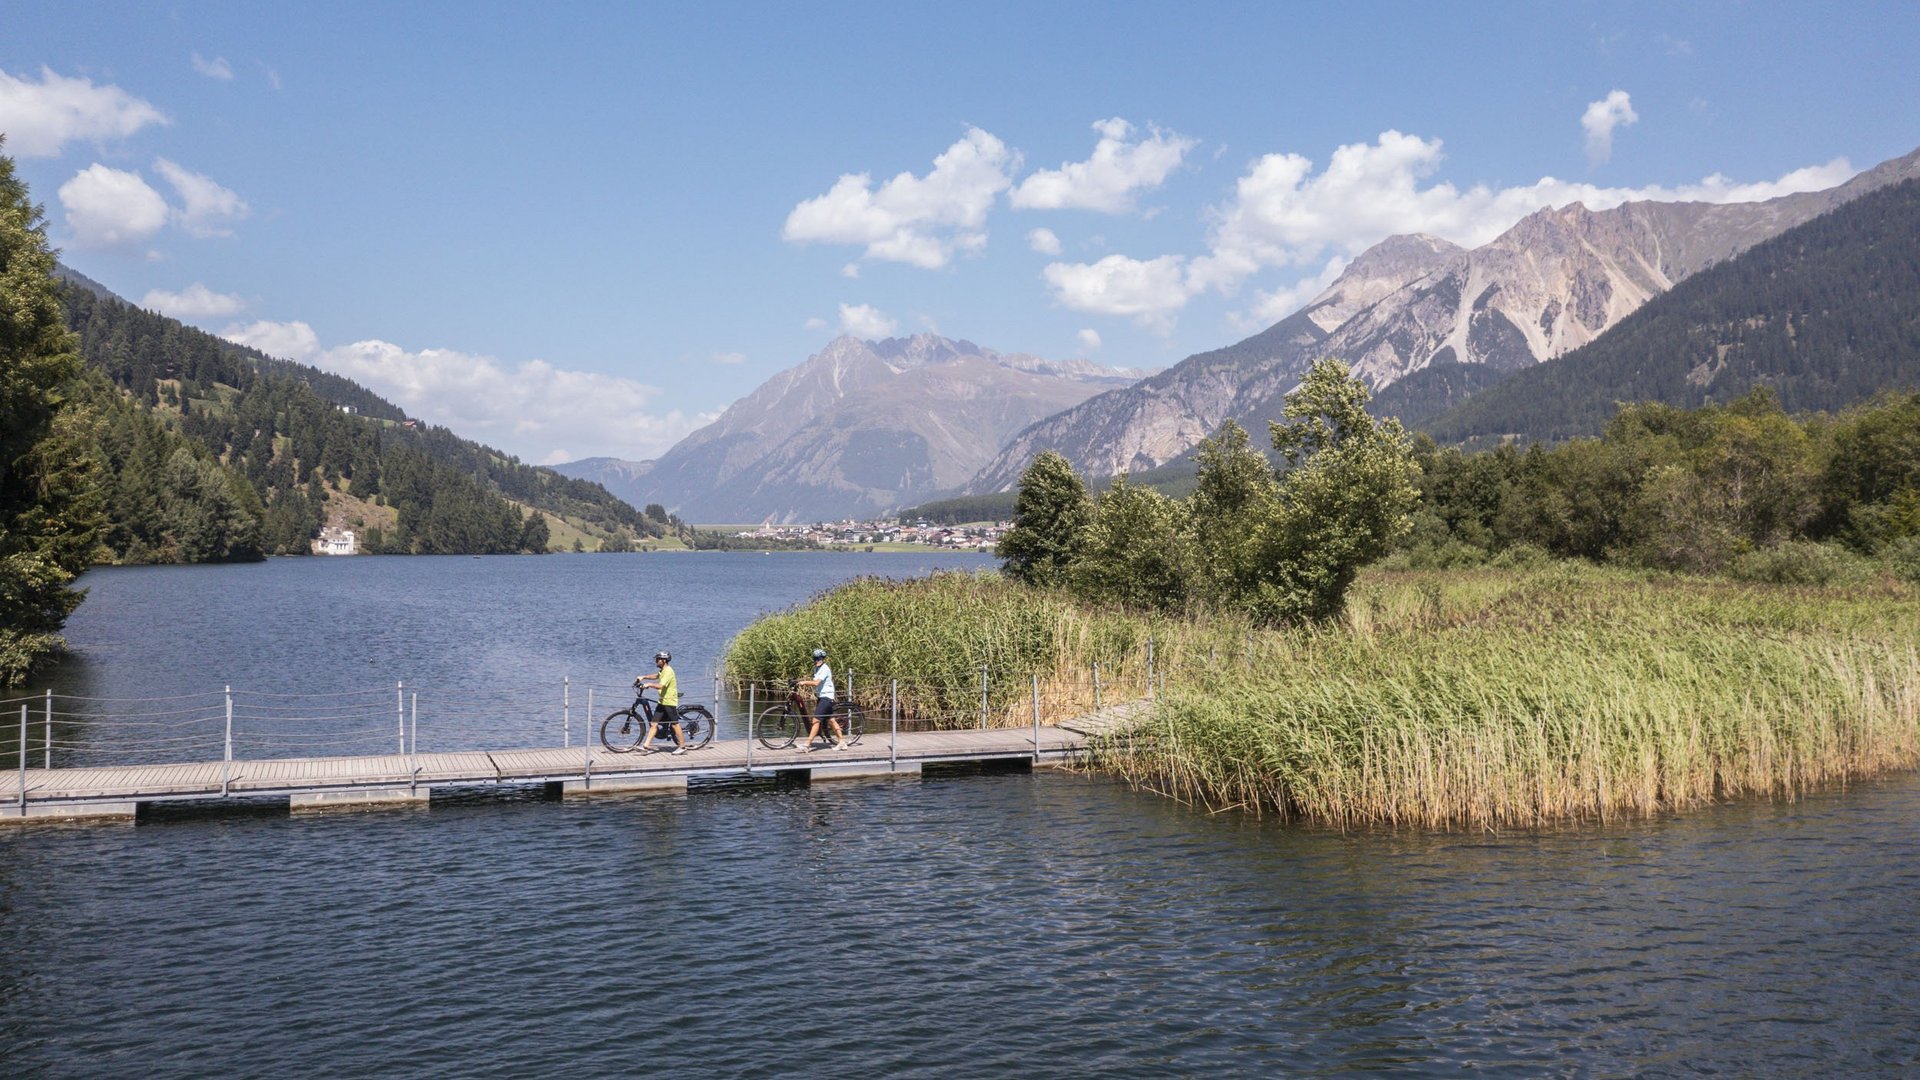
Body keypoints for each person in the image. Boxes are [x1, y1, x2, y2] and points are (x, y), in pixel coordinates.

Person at [635, 650, 688, 754]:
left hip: (669, 702)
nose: (656, 661)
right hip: (662, 701)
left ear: (664, 660)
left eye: (658, 659)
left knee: (674, 724)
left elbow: (661, 685)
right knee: (654, 724)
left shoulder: (668, 671)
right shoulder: (663, 670)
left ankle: (682, 747)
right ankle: (645, 747)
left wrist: (648, 684)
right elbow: (657, 676)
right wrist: (644, 677)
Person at [797, 647, 848, 752]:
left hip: (827, 697)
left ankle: (807, 745)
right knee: (831, 720)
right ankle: (842, 743)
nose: (817, 660)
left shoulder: (825, 668)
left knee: (816, 720)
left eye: (819, 658)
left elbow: (816, 683)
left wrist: (803, 682)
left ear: (823, 658)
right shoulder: (816, 668)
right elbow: (815, 680)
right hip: (822, 697)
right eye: (815, 658)